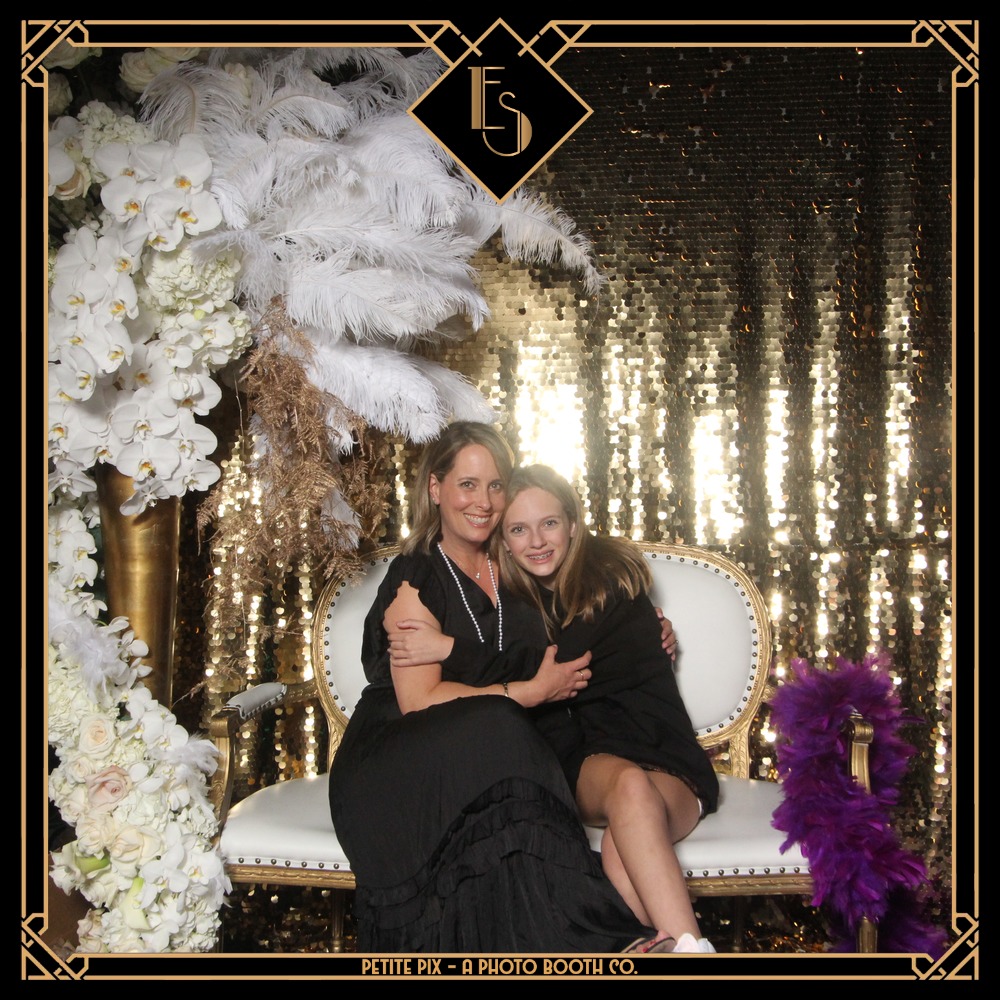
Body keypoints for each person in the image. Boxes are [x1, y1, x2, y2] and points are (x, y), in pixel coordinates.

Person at [327, 422, 649, 952]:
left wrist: (647, 627)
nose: (484, 501)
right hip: (400, 757)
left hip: (493, 752)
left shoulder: (517, 561)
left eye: (496, 485)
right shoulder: (415, 577)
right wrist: (529, 694)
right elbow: (419, 701)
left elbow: (582, 606)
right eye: (468, 485)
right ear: (436, 489)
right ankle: (594, 941)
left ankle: (571, 944)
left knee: (508, 748)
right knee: (501, 725)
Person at [498, 465, 720, 954]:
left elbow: (558, 662)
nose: (537, 541)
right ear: (504, 542)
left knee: (624, 851)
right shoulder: (505, 609)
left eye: (549, 523)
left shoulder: (612, 581)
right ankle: (697, 953)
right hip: (588, 765)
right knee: (629, 785)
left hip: (666, 758)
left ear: (573, 524)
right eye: (518, 529)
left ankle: (670, 950)